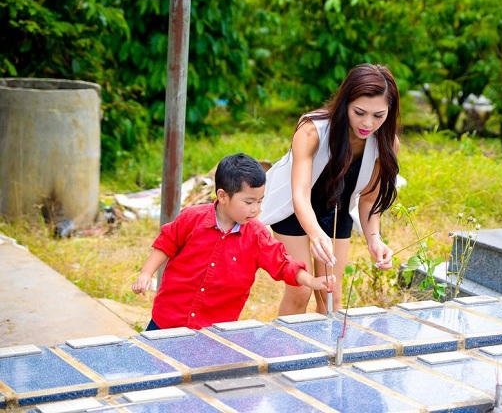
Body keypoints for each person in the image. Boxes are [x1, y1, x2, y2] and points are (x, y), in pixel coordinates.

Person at [132, 153, 335, 330]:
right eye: (249, 202)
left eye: (260, 201)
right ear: (222, 196)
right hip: (167, 320)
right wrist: (146, 273)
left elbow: (283, 264)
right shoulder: (191, 217)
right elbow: (166, 243)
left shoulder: (257, 235)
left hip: (214, 329)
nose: (256, 209)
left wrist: (312, 281)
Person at [260, 63, 400, 315]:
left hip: (337, 211)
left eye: (378, 115)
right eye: (359, 112)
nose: (368, 123)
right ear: (345, 103)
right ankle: (287, 342)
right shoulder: (312, 130)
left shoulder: (387, 143)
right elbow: (300, 195)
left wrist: (374, 240)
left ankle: (326, 342)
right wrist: (315, 234)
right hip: (293, 208)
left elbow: (368, 200)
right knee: (300, 290)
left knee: (331, 297)